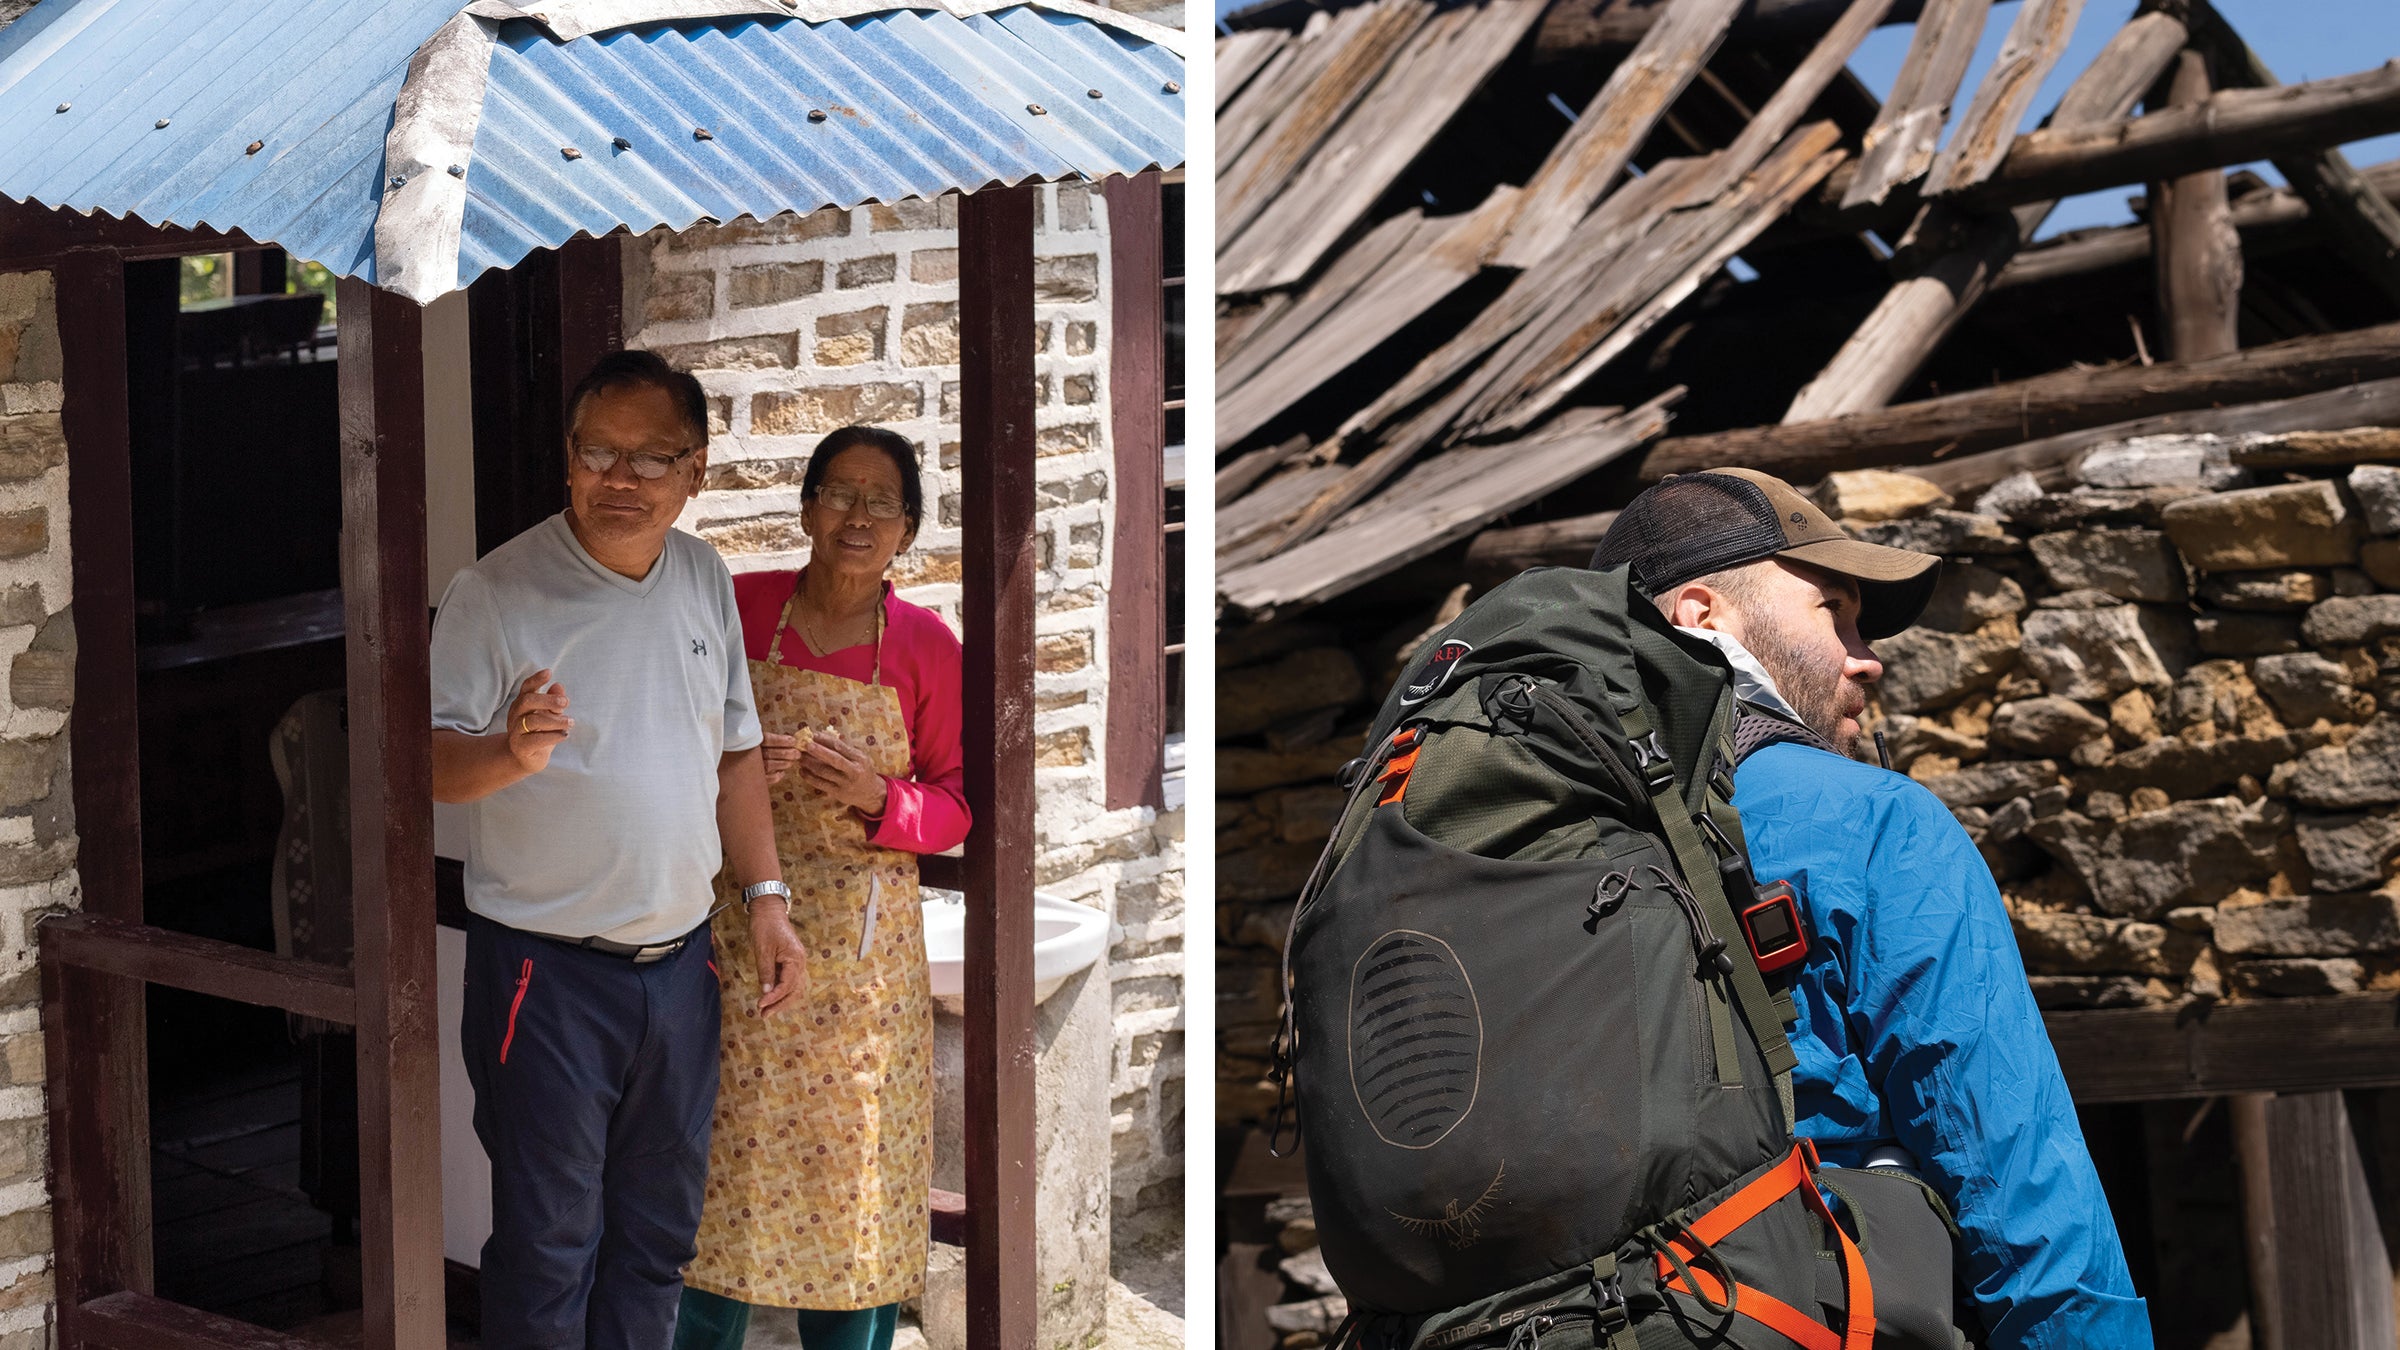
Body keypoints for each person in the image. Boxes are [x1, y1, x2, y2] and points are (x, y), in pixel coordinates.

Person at [1589, 466, 2152, 1350]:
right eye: (1835, 612)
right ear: (1701, 618)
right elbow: (2020, 1187)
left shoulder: (1497, 845)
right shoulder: (1869, 822)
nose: (1868, 656)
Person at [430, 349, 809, 1350]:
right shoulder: (497, 591)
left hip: (682, 970)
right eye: (600, 452)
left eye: (652, 460)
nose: (622, 479)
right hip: (544, 976)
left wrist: (766, 898)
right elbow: (426, 765)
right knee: (550, 1248)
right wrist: (510, 753)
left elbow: (736, 757)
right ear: (569, 459)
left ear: (696, 472)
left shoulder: (701, 576)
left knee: (656, 1241)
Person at [676, 424, 970, 1350]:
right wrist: (731, 764)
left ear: (907, 531)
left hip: (859, 976)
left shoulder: (925, 646)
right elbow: (676, 735)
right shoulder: (739, 607)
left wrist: (880, 796)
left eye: (883, 503)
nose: (858, 517)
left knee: (853, 1192)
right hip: (731, 939)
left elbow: (957, 808)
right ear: (805, 508)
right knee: (718, 1178)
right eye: (840, 494)